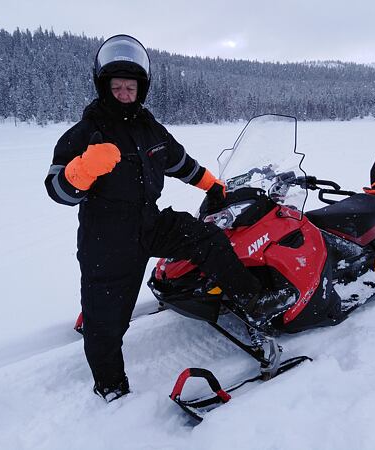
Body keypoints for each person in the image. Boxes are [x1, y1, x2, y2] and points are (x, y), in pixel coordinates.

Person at [45, 34, 261, 402]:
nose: (125, 93)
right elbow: (57, 189)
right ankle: (112, 388)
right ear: (104, 86)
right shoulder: (84, 134)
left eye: (131, 87)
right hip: (107, 239)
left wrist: (211, 183)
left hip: (150, 222)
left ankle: (253, 301)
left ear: (140, 88)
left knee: (207, 237)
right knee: (106, 325)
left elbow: (178, 161)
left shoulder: (149, 127)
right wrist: (83, 170)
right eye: (117, 86)